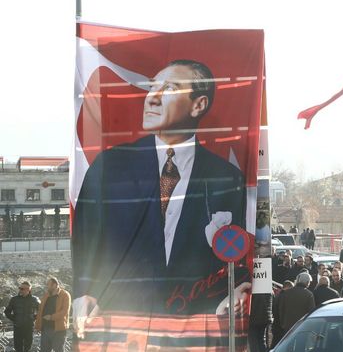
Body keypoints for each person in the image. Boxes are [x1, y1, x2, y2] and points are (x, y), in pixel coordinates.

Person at [72, 59, 246, 316]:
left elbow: (237, 255)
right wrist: (83, 292)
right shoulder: (110, 167)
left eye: (169, 89)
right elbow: (86, 238)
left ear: (198, 105)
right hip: (119, 317)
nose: (152, 98)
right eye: (152, 88)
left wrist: (238, 289)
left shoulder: (226, 178)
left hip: (194, 320)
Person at [35, 277, 71, 352]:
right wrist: (38, 325)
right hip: (45, 329)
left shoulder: (65, 295)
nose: (47, 286)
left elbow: (64, 311)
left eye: (48, 285)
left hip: (58, 330)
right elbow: (40, 311)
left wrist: (51, 317)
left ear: (54, 285)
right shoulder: (46, 295)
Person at [4, 281, 40, 352]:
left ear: (28, 289)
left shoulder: (35, 299)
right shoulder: (14, 299)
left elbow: (41, 312)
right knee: (18, 350)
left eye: (22, 288)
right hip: (18, 327)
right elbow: (7, 312)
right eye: (19, 288)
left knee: (28, 350)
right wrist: (15, 319)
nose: (20, 290)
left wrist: (33, 318)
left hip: (29, 328)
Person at [274, 273, 315, 343]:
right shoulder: (309, 294)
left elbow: (281, 309)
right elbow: (311, 312)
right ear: (307, 282)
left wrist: (283, 323)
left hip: (287, 326)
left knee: (288, 347)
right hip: (302, 326)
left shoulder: (286, 293)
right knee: (300, 347)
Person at [248, 288, 273, 352]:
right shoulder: (268, 289)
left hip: (253, 318)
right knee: (262, 340)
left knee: (253, 341)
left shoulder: (252, 290)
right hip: (265, 318)